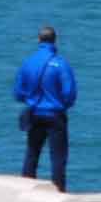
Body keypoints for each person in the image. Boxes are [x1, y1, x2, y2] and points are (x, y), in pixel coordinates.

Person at [13, 25, 78, 185]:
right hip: (55, 115)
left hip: (34, 113)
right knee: (58, 158)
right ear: (55, 41)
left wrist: (31, 100)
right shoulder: (61, 64)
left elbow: (18, 92)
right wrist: (62, 105)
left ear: (38, 40)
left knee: (32, 154)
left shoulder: (28, 63)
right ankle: (58, 191)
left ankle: (26, 189)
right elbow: (69, 93)